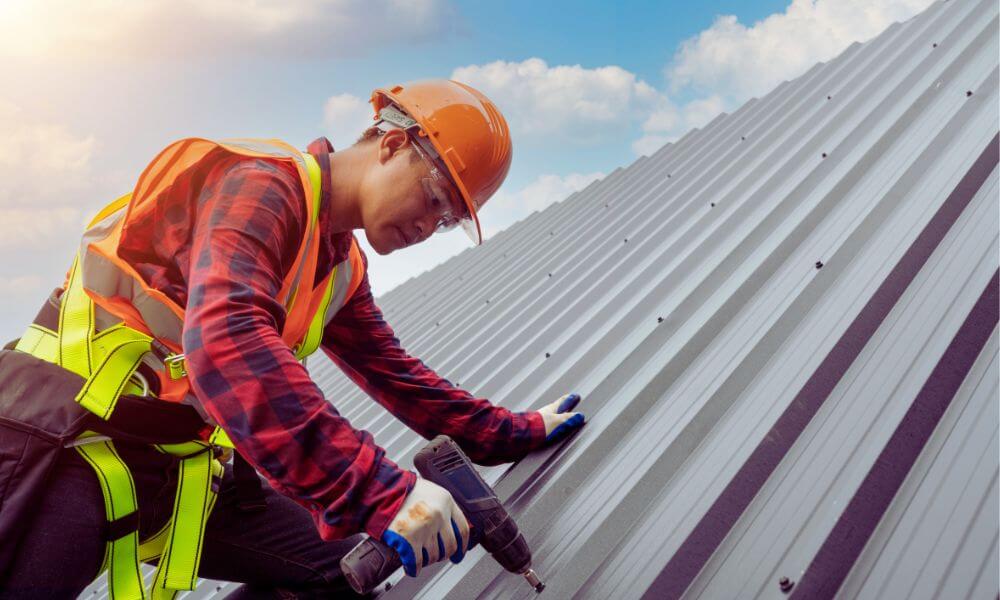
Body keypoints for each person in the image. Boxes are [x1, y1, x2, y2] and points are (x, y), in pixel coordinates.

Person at [0, 80, 585, 599]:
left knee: (344, 568)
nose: (427, 228)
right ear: (392, 145)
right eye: (433, 199)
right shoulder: (262, 184)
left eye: (446, 221)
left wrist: (516, 430)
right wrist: (382, 492)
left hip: (173, 467)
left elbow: (399, 376)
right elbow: (225, 338)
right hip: (61, 440)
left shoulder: (338, 266)